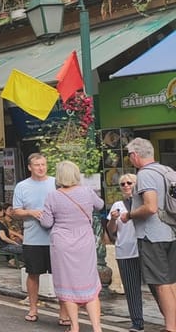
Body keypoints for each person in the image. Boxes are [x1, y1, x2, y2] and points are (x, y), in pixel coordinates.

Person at [40, 160, 104, 332]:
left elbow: (46, 222)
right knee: (89, 283)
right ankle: (97, 328)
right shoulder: (87, 192)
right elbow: (101, 205)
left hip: (62, 244)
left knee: (68, 284)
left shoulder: (53, 196)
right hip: (85, 242)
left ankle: (75, 326)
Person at [121, 138, 176, 332]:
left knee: (160, 284)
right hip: (171, 231)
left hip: (153, 235)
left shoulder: (145, 174)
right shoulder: (167, 170)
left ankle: (171, 327)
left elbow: (150, 207)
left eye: (129, 156)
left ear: (135, 155)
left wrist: (129, 215)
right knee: (171, 282)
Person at [12, 152, 68, 325]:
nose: (41, 168)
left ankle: (64, 312)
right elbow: (16, 211)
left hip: (56, 238)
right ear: (30, 167)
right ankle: (33, 308)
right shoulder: (22, 186)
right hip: (33, 239)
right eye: (37, 165)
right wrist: (31, 212)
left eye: (43, 164)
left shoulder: (56, 183)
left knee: (61, 276)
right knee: (33, 274)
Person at [106, 173, 147, 332]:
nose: (126, 186)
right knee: (131, 289)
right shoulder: (117, 204)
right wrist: (112, 219)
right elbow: (111, 231)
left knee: (159, 287)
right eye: (122, 184)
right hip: (126, 251)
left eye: (129, 183)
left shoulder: (144, 203)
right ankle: (137, 322)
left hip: (146, 250)